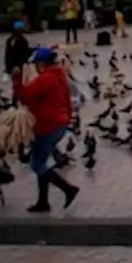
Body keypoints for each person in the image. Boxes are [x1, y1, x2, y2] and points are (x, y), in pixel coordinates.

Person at [17, 46, 80, 212]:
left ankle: (68, 189)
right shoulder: (58, 75)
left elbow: (25, 95)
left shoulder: (46, 78)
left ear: (41, 63)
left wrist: (16, 79)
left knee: (37, 165)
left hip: (47, 126)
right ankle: (43, 202)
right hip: (58, 124)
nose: (35, 67)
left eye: (36, 63)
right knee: (42, 163)